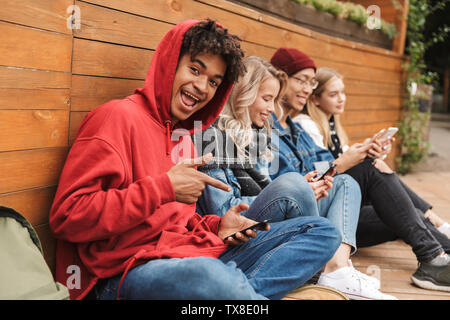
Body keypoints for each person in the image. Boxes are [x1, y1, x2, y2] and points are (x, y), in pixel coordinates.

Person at [49, 20, 341, 301]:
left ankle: (238, 295)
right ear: (169, 64)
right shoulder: (115, 117)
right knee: (209, 276)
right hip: (126, 271)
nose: (202, 86)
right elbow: (67, 218)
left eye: (214, 81)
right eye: (194, 69)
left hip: (192, 253)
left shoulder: (185, 135)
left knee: (322, 232)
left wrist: (218, 226)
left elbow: (181, 223)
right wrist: (161, 188)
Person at [195, 56, 397, 300]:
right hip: (234, 233)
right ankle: (319, 262)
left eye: (274, 100)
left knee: (344, 182)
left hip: (267, 221)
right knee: (293, 184)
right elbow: (224, 211)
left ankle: (337, 269)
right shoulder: (211, 136)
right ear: (243, 94)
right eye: (267, 99)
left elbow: (268, 190)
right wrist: (294, 191)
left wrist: (304, 188)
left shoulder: (257, 134)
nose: (271, 109)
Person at [269, 47, 450, 293]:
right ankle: (435, 252)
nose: (306, 88)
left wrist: (362, 152)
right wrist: (348, 161)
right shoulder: (284, 127)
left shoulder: (295, 128)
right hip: (309, 217)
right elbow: (298, 182)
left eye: (310, 82)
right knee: (372, 174)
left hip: (330, 209)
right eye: (301, 80)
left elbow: (324, 164)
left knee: (401, 210)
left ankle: (440, 255)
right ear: (280, 79)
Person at [296, 66, 450, 241]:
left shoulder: (331, 125)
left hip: (344, 201)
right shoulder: (305, 125)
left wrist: (374, 150)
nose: (342, 99)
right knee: (400, 209)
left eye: (343, 93)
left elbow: (345, 160)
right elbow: (320, 169)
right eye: (333, 95)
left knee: (406, 212)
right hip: (327, 208)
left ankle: (442, 241)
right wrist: (363, 157)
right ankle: (442, 235)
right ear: (315, 99)